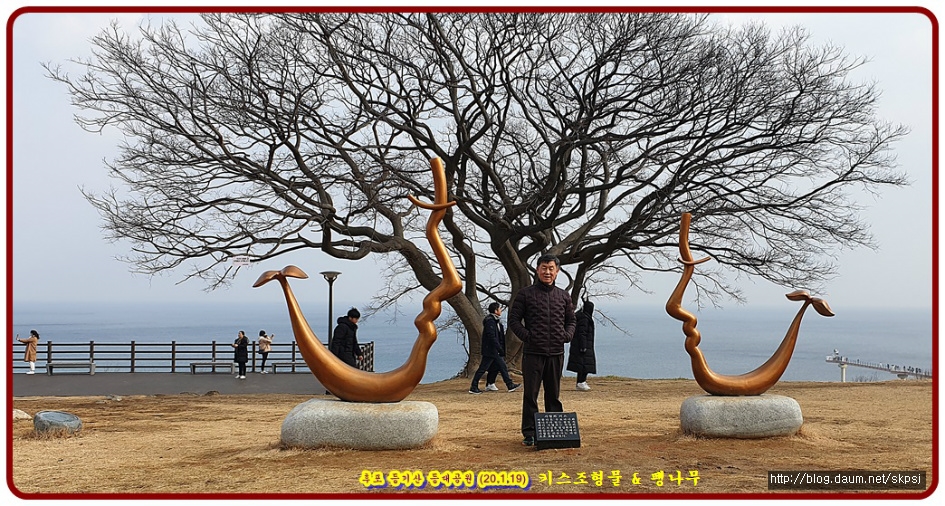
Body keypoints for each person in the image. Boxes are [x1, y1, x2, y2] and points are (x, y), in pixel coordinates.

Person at [508, 253, 576, 447]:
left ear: (557, 271)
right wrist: (528, 336)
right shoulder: (525, 294)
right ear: (537, 270)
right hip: (533, 353)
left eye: (551, 268)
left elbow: (571, 320)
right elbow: (513, 320)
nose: (547, 272)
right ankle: (529, 432)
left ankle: (556, 431)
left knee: (553, 394)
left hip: (556, 352)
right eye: (544, 268)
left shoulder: (563, 296)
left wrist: (567, 336)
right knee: (531, 394)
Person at [468, 303, 521, 394]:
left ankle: (490, 383)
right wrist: (499, 348)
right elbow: (491, 336)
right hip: (491, 350)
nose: (501, 310)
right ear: (495, 311)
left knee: (495, 367)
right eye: (499, 309)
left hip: (494, 350)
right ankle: (509, 385)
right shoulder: (490, 321)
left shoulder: (496, 321)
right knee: (498, 367)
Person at [567, 299, 597, 391]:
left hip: (581, 345)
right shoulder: (585, 319)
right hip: (583, 345)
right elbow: (582, 333)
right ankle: (581, 382)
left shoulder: (582, 317)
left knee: (582, 365)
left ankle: (581, 382)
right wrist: (583, 346)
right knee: (584, 365)